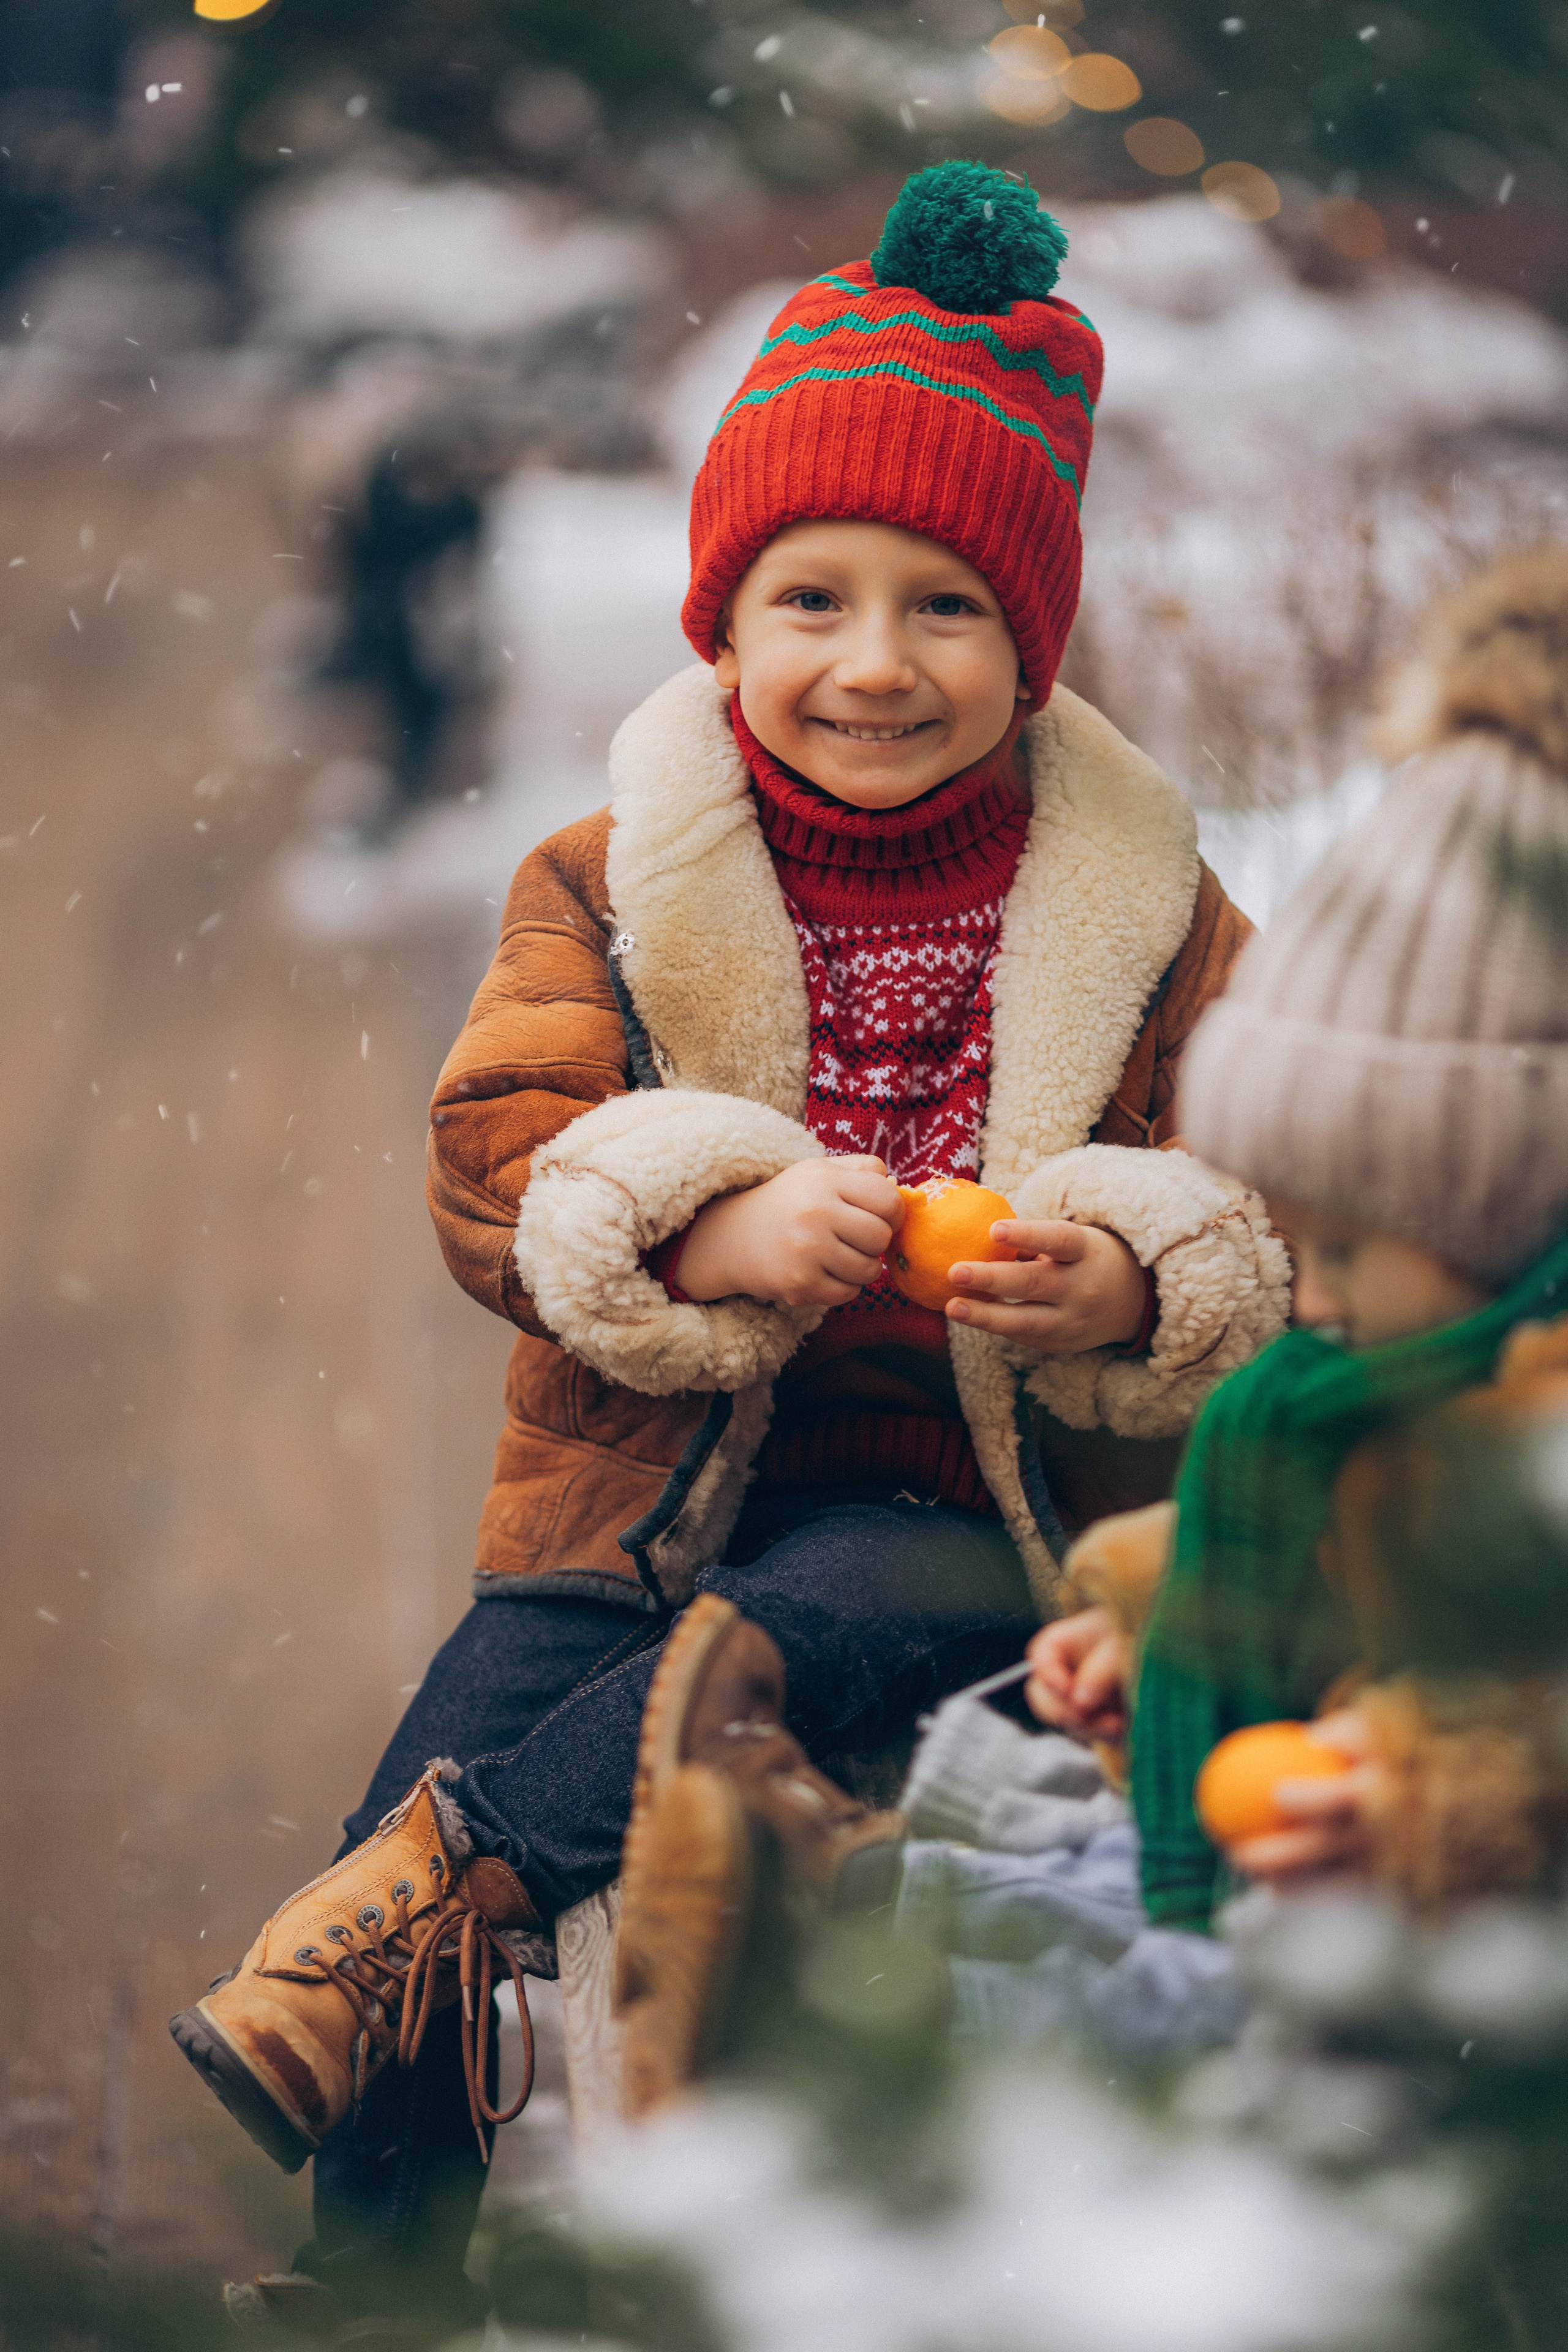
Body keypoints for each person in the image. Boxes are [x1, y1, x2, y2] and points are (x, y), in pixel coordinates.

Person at [170, 162, 1286, 2333]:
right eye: (815, 599)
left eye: (948, 608)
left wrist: (1138, 1280)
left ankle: (465, 1883)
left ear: (1034, 643)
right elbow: (501, 1160)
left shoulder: (1149, 914)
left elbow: (1254, 1195)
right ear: (726, 615)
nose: (875, 666)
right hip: (626, 1498)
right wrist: (697, 1212)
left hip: (975, 1510)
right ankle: (367, 2270)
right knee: (410, 1809)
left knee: (785, 1633)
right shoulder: (612, 879)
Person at [1027, 548, 1568, 1930]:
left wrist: (1426, 1788)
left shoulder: (1530, 1442)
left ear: (1510, 1202)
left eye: (1344, 1249)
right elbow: (1336, 1579)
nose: (1306, 1297)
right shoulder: (1388, 1396)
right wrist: (1156, 1637)